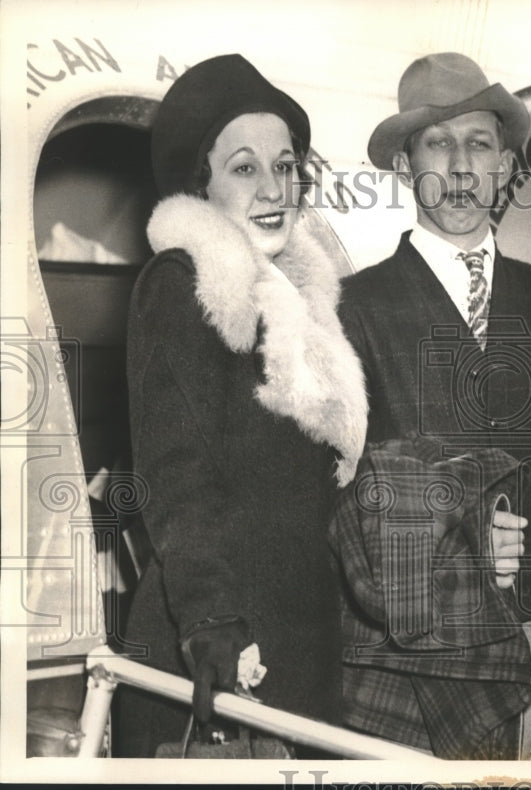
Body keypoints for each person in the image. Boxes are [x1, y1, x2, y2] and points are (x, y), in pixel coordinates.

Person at [336, 52, 531, 759]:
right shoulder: (354, 308)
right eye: (437, 143)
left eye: (478, 144)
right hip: (416, 652)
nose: (458, 167)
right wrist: (460, 552)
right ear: (402, 164)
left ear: (507, 164)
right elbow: (338, 497)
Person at [117, 54, 367, 757]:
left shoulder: (300, 310)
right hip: (214, 654)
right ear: (203, 184)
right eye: (245, 167)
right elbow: (176, 471)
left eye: (285, 166)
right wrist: (212, 621)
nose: (273, 187)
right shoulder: (185, 283)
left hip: (302, 651)